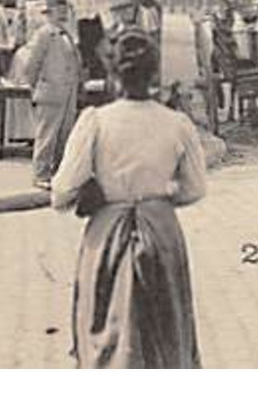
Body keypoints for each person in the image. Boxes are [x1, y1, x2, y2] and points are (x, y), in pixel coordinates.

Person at [52, 32, 206, 368]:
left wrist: (99, 191)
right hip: (162, 236)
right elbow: (195, 188)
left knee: (107, 340)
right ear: (153, 75)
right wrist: (160, 193)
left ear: (112, 75)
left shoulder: (95, 122)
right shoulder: (177, 124)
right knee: (166, 337)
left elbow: (61, 192)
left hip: (107, 236)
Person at [19, 0, 80, 189]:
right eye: (58, 10)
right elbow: (30, 64)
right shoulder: (44, 34)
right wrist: (36, 85)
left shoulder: (65, 33)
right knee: (47, 134)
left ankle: (57, 172)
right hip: (50, 90)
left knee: (64, 134)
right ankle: (40, 174)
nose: (62, 13)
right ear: (49, 13)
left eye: (64, 10)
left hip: (68, 92)